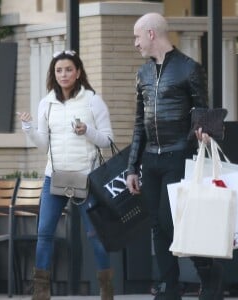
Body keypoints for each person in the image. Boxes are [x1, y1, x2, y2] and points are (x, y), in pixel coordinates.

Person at [126, 13, 223, 300]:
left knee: (173, 222)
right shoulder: (142, 74)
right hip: (151, 158)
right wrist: (132, 166)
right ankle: (170, 287)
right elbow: (138, 122)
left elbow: (202, 111)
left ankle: (209, 273)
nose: (135, 43)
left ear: (152, 34)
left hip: (179, 154)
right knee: (157, 225)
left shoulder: (188, 68)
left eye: (137, 36)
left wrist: (203, 133)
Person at [17, 50, 114, 300]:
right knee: (45, 232)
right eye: (59, 70)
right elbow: (43, 144)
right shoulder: (46, 102)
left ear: (78, 72)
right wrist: (28, 128)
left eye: (69, 69)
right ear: (53, 74)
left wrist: (88, 131)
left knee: (95, 234)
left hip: (86, 177)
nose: (64, 74)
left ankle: (107, 289)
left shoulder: (93, 100)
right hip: (55, 177)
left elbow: (107, 140)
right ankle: (41, 291)